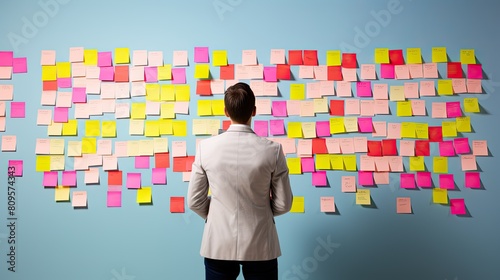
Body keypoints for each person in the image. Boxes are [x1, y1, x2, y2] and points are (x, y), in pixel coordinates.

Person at [187, 82, 293, 280]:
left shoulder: (206, 148)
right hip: (261, 242)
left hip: (218, 242)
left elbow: (194, 201)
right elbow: (284, 204)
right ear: (254, 110)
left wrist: (218, 213)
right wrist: (261, 210)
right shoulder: (273, 150)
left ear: (226, 112)